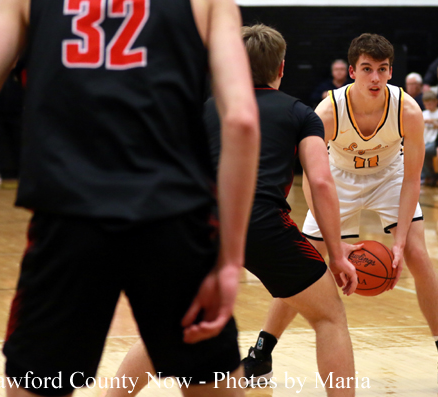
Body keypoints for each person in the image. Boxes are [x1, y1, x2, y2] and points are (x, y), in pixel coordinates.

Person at [0, 0, 261, 395]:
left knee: (35, 387)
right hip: (174, 225)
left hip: (67, 225)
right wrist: (231, 261)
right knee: (213, 385)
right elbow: (240, 120)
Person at [108, 25, 359, 397]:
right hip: (262, 223)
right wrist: (336, 254)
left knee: (170, 327)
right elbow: (321, 182)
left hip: (199, 225)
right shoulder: (301, 113)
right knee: (329, 316)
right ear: (281, 68)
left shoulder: (208, 108)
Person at [254, 34, 438, 395]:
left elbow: (412, 180)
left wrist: (399, 242)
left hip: (390, 176)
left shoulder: (408, 111)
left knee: (418, 254)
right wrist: (333, 242)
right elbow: (311, 178)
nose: (375, 78)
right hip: (337, 179)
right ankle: (261, 353)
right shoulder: (328, 112)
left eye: (382, 69)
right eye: (367, 69)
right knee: (304, 263)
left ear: (391, 71)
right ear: (352, 71)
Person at [421, 91, 438, 185]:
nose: (429, 106)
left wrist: (433, 122)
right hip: (425, 140)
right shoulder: (423, 113)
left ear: (436, 102)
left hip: (435, 140)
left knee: (425, 151)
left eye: (430, 103)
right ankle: (424, 175)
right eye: (426, 104)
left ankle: (430, 175)